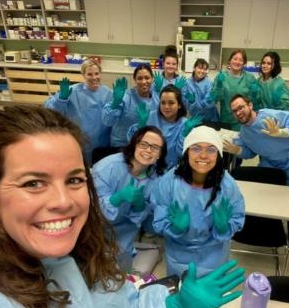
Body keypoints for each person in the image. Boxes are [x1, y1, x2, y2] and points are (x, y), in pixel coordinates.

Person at [0, 105, 245, 308]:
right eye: (33, 183)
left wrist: (172, 307)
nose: (63, 201)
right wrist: (146, 214)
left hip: (141, 248)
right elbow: (151, 220)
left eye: (74, 179)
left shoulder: (84, 259)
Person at [152, 125, 245, 278]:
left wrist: (223, 228)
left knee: (209, 299)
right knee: (181, 296)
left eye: (211, 149)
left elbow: (237, 217)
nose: (203, 155)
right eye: (196, 148)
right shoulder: (169, 182)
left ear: (219, 155)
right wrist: (175, 229)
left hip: (214, 257)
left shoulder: (227, 185)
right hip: (178, 257)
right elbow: (159, 219)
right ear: (186, 152)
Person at [91, 126, 167, 272]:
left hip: (124, 236)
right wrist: (115, 199)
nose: (148, 150)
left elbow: (149, 221)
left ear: (160, 155)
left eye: (155, 147)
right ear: (134, 145)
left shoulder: (157, 180)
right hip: (95, 231)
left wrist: (140, 207)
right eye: (143, 144)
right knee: (93, 270)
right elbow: (89, 209)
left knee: (120, 274)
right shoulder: (107, 167)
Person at [223, 94, 289, 184]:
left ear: (250, 105)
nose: (238, 113)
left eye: (241, 108)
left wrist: (282, 132)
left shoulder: (269, 116)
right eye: (234, 111)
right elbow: (250, 153)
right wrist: (237, 150)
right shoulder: (244, 133)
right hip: (271, 163)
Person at [44, 59, 112, 165]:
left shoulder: (108, 93)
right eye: (89, 74)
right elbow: (51, 111)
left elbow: (112, 118)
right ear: (83, 75)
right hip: (78, 140)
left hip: (101, 143)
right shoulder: (72, 91)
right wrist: (61, 99)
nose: (94, 78)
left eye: (97, 73)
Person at [129, 84, 202, 168]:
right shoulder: (149, 117)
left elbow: (181, 154)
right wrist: (140, 126)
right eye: (163, 103)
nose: (166, 107)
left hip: (170, 170)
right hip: (147, 166)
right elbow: (133, 143)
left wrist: (184, 134)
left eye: (171, 103)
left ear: (179, 105)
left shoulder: (185, 124)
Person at [101, 64, 159, 151]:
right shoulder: (126, 97)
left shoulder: (156, 98)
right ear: (135, 80)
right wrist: (115, 103)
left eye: (147, 78)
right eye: (140, 78)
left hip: (145, 146)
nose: (144, 81)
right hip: (123, 146)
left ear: (152, 79)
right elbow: (107, 121)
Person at [210, 49, 258, 131]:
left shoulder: (250, 78)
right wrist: (219, 86)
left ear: (244, 63)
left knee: (240, 143)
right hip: (226, 119)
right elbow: (215, 99)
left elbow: (253, 103)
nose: (237, 62)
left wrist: (254, 94)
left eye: (241, 60)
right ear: (230, 60)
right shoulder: (221, 76)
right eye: (235, 59)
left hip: (244, 120)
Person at [185, 58, 219, 122]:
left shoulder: (209, 83)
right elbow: (186, 104)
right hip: (195, 118)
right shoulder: (188, 83)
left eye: (205, 69)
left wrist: (208, 102)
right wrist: (191, 103)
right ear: (194, 68)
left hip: (210, 118)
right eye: (200, 68)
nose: (202, 71)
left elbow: (208, 104)